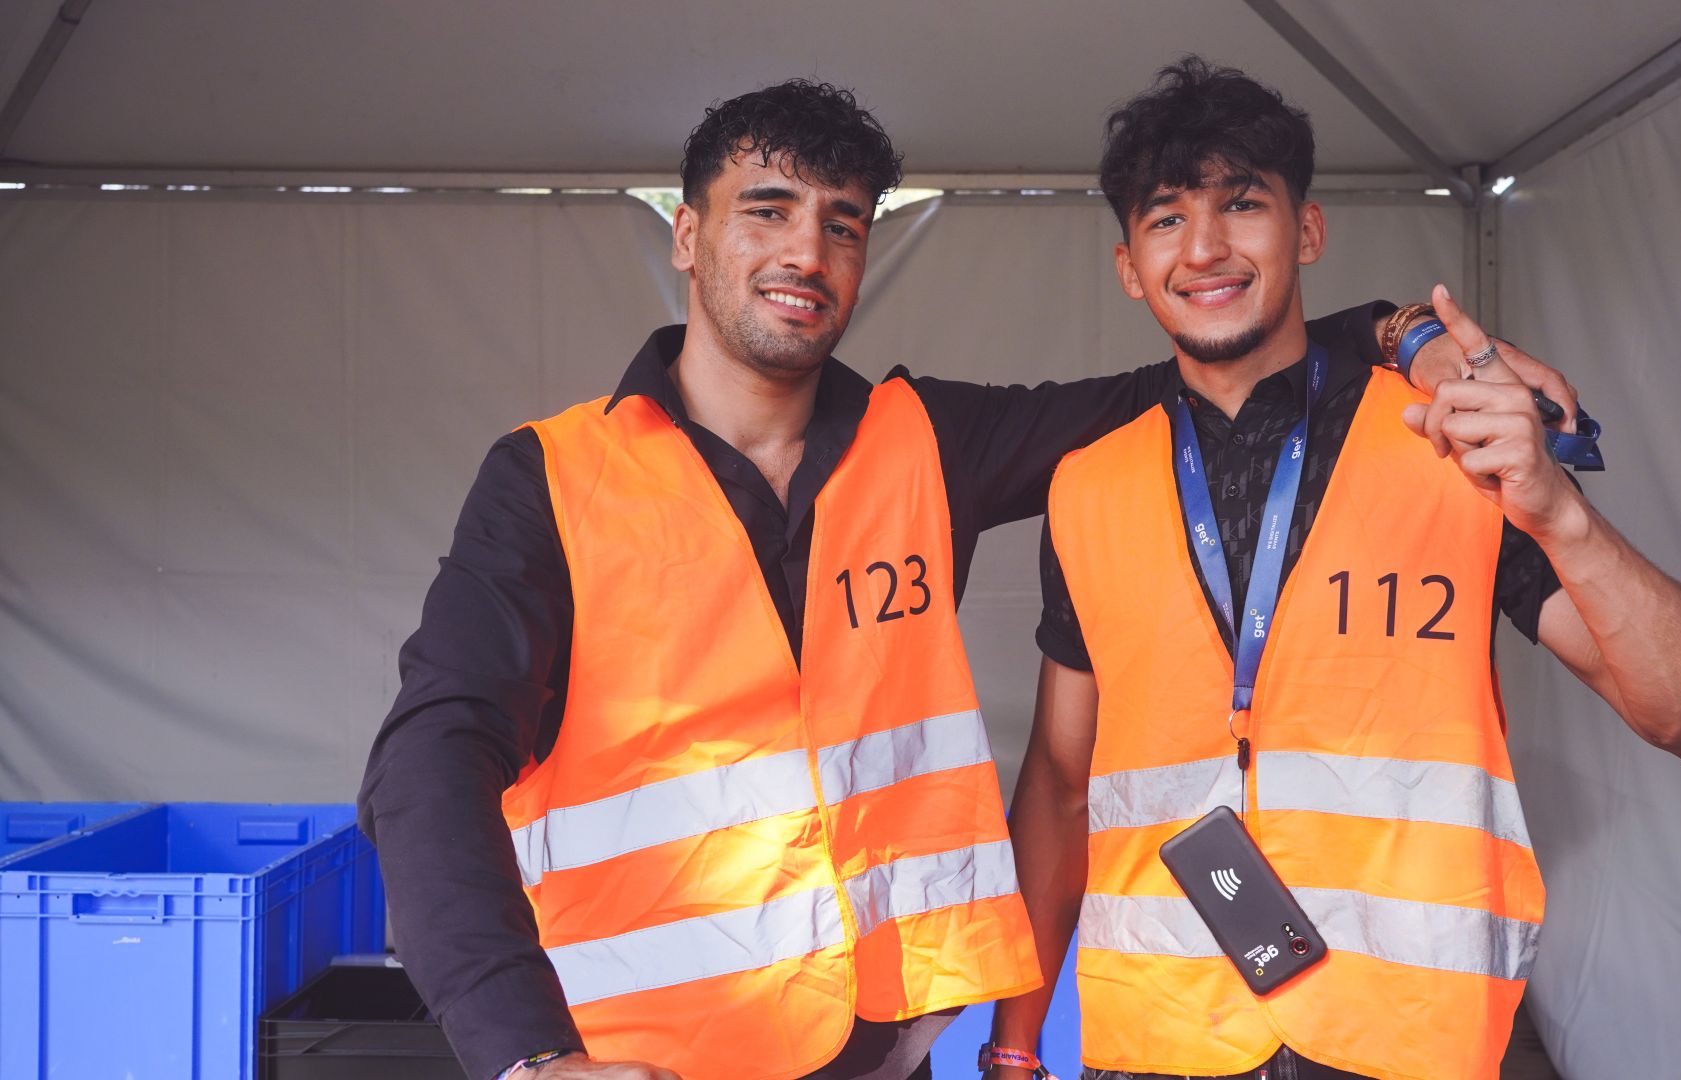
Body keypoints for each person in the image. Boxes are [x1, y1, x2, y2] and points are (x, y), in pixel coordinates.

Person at [357, 78, 1576, 1080]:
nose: (806, 251)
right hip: (640, 1061)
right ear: (687, 234)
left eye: (841, 222)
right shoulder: (552, 478)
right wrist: (523, 1055)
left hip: (887, 1051)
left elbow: (1205, 370)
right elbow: (427, 762)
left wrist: (1397, 335)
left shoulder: (920, 442)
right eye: (766, 210)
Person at [984, 58, 1681, 1080]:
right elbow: (1058, 783)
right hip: (1157, 1038)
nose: (1206, 246)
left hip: (1407, 1037)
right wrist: (1012, 1043)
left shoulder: (1449, 445)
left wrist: (1561, 516)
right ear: (1130, 264)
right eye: (1167, 218)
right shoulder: (1088, 485)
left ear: (1307, 232)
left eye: (1243, 203)